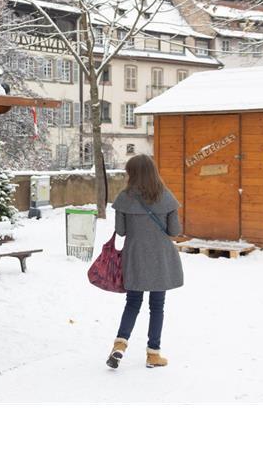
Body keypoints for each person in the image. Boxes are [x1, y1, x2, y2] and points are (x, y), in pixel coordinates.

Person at [107, 153, 183, 370]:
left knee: (132, 303)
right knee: (157, 306)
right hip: (161, 258)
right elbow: (174, 231)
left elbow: (120, 232)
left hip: (135, 257)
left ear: (132, 174)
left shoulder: (124, 198)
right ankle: (153, 354)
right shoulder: (166, 197)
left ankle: (119, 345)